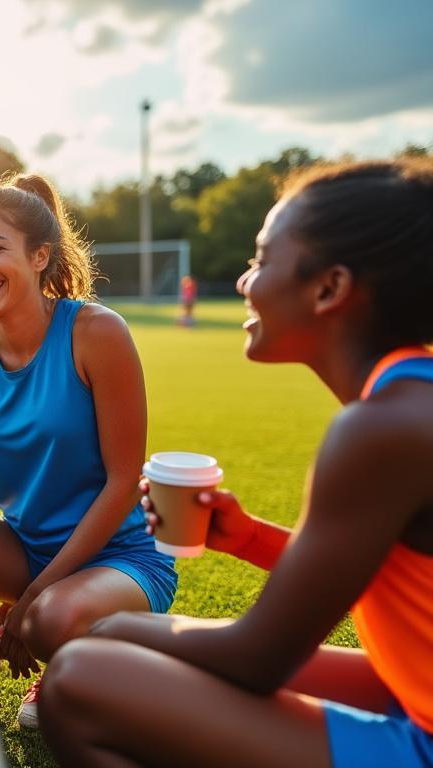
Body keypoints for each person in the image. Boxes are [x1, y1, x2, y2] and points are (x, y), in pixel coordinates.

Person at [40, 159, 433, 768]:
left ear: (329, 288)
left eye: (261, 258)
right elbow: (384, 572)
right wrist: (249, 538)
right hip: (412, 685)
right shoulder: (405, 402)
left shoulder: (381, 428)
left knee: (77, 680)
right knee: (111, 635)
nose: (247, 281)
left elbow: (258, 658)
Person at [0, 173, 177, 729]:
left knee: (49, 618)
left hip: (120, 555)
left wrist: (36, 597)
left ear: (40, 256)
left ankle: (103, 653)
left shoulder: (96, 333)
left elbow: (122, 481)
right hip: (26, 546)